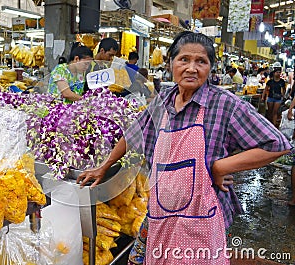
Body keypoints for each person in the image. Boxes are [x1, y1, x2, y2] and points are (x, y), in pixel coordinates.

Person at [77, 31, 291, 264]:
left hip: (201, 216)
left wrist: (220, 167)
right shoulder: (163, 101)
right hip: (160, 208)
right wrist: (104, 165)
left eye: (201, 61)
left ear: (210, 67)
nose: (192, 68)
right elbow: (133, 134)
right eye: (184, 59)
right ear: (171, 63)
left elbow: (276, 144)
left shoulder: (224, 105)